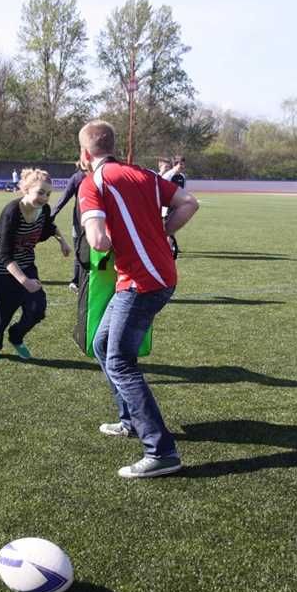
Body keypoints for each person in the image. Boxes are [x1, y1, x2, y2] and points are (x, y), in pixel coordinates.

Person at [78, 120, 199, 479]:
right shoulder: (143, 174)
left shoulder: (93, 182)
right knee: (102, 345)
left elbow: (98, 241)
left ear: (85, 153)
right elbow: (189, 203)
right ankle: (129, 419)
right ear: (112, 147)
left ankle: (161, 451)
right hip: (156, 276)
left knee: (119, 361)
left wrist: (98, 230)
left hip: (142, 283)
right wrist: (162, 230)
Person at [0, 168, 70, 361]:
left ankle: (16, 336)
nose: (44, 198)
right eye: (40, 192)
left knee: (37, 308)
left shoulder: (44, 210)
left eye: (48, 194)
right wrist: (25, 282)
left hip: (25, 261)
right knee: (1, 314)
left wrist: (62, 241)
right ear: (26, 189)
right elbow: (5, 255)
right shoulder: (12, 211)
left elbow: (50, 227)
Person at [51, 160, 88, 292]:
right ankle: (81, 281)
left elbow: (64, 198)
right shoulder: (91, 176)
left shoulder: (77, 177)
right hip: (94, 221)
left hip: (79, 220)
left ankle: (76, 281)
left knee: (79, 252)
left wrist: (51, 215)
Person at [158, 154, 187, 256]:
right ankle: (167, 247)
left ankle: (171, 246)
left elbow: (183, 191)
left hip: (176, 205)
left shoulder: (182, 176)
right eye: (180, 164)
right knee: (166, 225)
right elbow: (160, 191)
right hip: (166, 206)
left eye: (183, 164)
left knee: (173, 225)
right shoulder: (167, 176)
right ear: (175, 164)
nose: (182, 166)